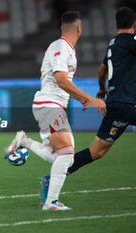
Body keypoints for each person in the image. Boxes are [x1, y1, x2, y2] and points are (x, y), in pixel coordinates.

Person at [5, 11, 106, 211]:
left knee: (59, 157)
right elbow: (60, 80)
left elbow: (63, 82)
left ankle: (23, 141)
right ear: (79, 29)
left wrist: (79, 99)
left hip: (51, 106)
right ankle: (51, 202)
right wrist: (89, 99)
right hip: (49, 105)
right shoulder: (61, 47)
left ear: (62, 27)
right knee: (67, 155)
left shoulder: (64, 48)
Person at [67, 7, 136, 175]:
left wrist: (102, 88)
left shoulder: (113, 44)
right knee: (97, 151)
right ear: (134, 24)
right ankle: (59, 173)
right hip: (124, 104)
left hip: (122, 103)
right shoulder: (131, 40)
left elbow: (101, 70)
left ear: (116, 24)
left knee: (97, 152)